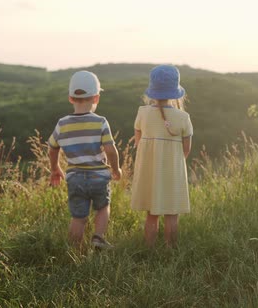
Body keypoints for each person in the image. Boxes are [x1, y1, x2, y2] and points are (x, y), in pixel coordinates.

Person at [47, 70, 122, 251]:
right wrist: (116, 168)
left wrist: (55, 168)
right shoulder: (101, 122)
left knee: (78, 217)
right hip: (98, 176)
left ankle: (74, 250)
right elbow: (111, 150)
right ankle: (98, 237)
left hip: (75, 178)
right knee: (103, 207)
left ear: (71, 98)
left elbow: (52, 148)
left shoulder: (62, 123)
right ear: (96, 98)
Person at [131, 65, 193, 247]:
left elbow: (138, 141)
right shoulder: (183, 117)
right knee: (172, 213)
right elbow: (186, 149)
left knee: (151, 213)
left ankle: (150, 250)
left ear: (152, 91)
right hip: (172, 171)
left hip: (149, 171)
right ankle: (170, 249)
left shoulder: (142, 113)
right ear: (176, 92)